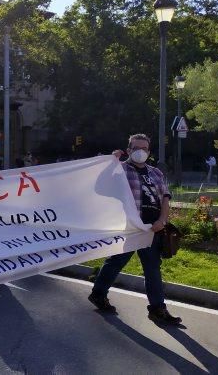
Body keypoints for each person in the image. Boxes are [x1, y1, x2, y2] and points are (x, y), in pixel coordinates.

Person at [88, 133, 182, 326]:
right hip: (129, 227)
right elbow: (98, 187)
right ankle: (98, 294)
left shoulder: (156, 173)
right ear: (129, 150)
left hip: (152, 229)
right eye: (136, 148)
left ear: (149, 151)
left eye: (144, 148)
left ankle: (158, 309)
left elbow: (165, 198)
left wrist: (163, 220)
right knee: (115, 262)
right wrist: (110, 162)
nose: (141, 152)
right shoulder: (119, 170)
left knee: (152, 269)